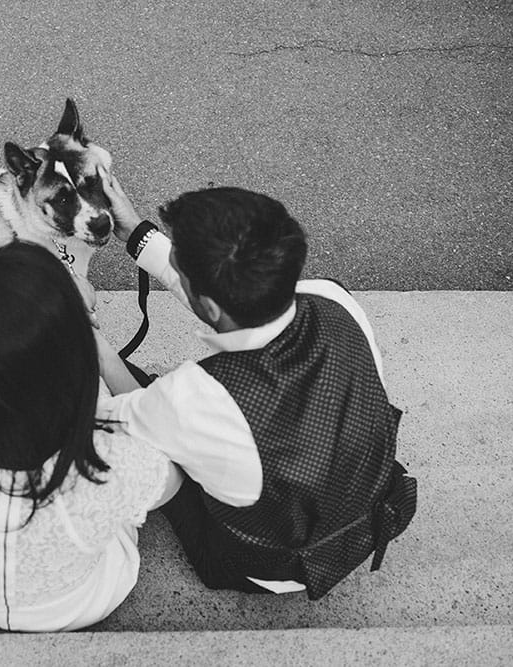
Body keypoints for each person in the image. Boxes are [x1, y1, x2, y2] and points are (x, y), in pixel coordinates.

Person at [93, 173, 416, 600]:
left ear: (206, 304)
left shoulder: (195, 397)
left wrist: (80, 328)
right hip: (365, 510)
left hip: (265, 567)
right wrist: (136, 233)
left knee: (131, 429)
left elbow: (121, 413)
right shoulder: (333, 300)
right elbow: (227, 301)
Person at [0, 241, 181, 632]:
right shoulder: (113, 464)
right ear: (71, 358)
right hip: (78, 605)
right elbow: (169, 467)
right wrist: (100, 351)